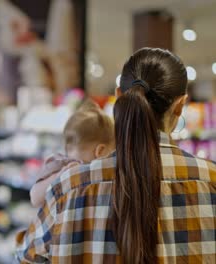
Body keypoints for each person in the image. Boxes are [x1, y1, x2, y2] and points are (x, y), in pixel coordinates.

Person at [15, 47, 216, 263]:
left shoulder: (70, 186)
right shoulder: (210, 180)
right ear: (180, 106)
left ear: (119, 96)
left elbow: (26, 257)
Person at [30, 101, 114, 207]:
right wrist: (60, 175)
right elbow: (35, 198)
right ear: (100, 151)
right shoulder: (60, 165)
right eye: (112, 150)